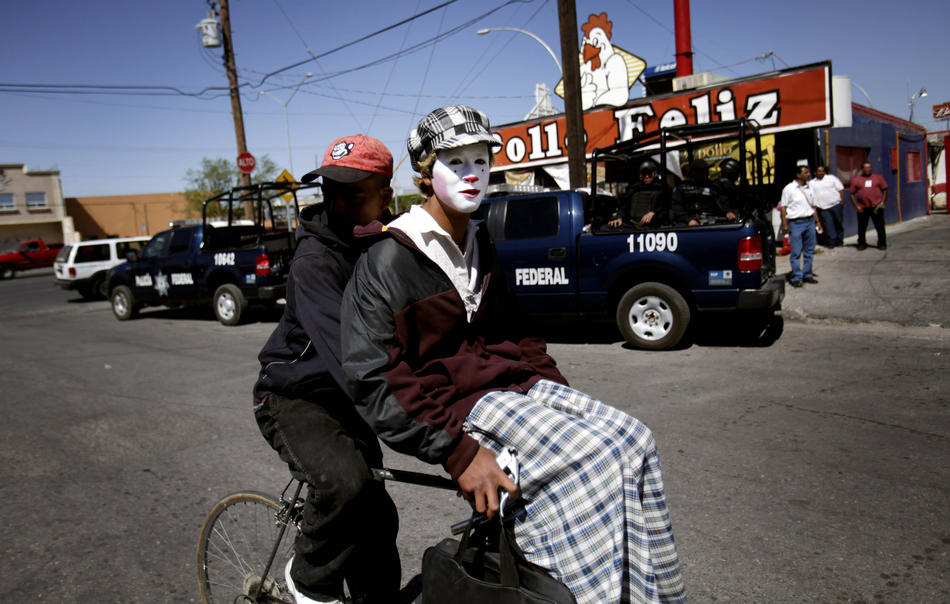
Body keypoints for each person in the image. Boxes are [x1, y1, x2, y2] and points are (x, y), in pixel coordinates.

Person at [340, 105, 686, 603]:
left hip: (514, 387)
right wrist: (459, 455)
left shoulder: (480, 240)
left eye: (481, 160)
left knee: (633, 440)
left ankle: (655, 596)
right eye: (454, 161)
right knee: (588, 457)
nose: (471, 173)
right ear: (423, 172)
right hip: (458, 407)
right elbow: (374, 378)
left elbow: (519, 334)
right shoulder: (388, 258)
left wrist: (556, 397)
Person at [252, 134, 398, 604]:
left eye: (354, 192)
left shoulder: (390, 248)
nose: (338, 203)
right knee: (345, 484)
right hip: (296, 396)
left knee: (378, 519)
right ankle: (309, 582)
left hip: (345, 395)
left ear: (386, 196)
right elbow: (353, 357)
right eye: (331, 190)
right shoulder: (315, 261)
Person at [780, 165, 820, 288]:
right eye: (806, 172)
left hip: (809, 222)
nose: (808, 174)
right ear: (798, 175)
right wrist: (785, 224)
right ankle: (796, 277)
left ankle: (807, 274)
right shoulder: (789, 189)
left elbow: (813, 207)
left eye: (808, 172)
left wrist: (817, 221)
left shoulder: (809, 188)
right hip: (795, 223)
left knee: (809, 250)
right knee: (796, 252)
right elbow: (783, 207)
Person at [671, 157, 737, 226]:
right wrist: (688, 220)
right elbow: (677, 208)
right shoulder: (682, 188)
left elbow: (723, 203)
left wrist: (728, 212)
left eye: (706, 170)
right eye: (703, 171)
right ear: (694, 173)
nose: (706, 173)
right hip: (689, 221)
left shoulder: (714, 187)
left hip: (713, 219)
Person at [608, 159, 669, 228]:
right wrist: (618, 218)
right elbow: (623, 207)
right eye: (644, 173)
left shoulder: (662, 189)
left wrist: (654, 213)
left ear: (655, 174)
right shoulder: (634, 189)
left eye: (649, 173)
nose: (647, 176)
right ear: (640, 175)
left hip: (653, 226)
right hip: (632, 225)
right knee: (607, 228)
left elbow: (666, 208)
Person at [849, 161, 888, 250]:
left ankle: (882, 243)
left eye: (869, 167)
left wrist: (882, 202)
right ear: (862, 169)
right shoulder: (857, 180)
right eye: (866, 168)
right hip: (863, 208)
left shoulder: (878, 178)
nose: (868, 169)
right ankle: (862, 243)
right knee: (862, 227)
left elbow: (885, 190)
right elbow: (851, 194)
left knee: (880, 226)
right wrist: (856, 206)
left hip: (876, 207)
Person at [810, 164, 845, 248]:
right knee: (828, 225)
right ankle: (831, 242)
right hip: (823, 208)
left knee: (838, 223)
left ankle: (839, 240)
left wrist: (842, 202)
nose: (821, 173)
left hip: (835, 205)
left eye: (823, 171)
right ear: (815, 173)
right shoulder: (811, 183)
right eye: (819, 171)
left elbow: (841, 189)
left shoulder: (832, 178)